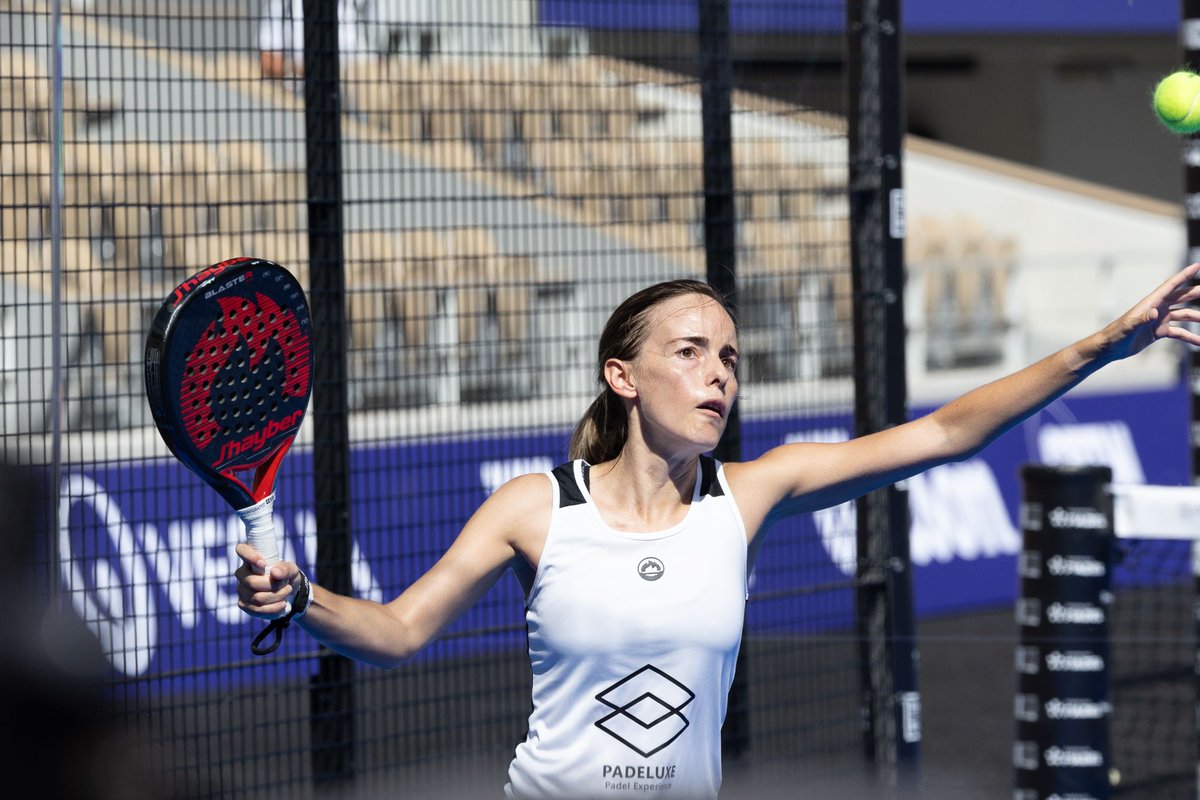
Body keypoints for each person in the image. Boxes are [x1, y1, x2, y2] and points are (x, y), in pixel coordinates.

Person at [235, 263, 1200, 798]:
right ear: (623, 377)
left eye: (729, 357)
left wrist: (1100, 347)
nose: (718, 375)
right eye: (691, 352)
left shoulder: (751, 494)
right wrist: (302, 597)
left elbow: (946, 432)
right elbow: (399, 633)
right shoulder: (536, 506)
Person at [258, 0, 372, 80]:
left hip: (351, 93)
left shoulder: (356, 5)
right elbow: (267, 60)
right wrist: (305, 67)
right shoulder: (283, 4)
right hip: (296, 96)